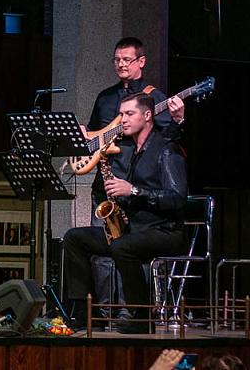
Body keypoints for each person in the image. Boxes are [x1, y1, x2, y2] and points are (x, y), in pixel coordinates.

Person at [64, 92, 188, 334]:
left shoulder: (166, 149)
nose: (123, 120)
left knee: (122, 246)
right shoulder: (131, 151)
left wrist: (133, 190)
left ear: (148, 115)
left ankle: (140, 313)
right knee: (74, 238)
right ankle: (87, 312)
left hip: (164, 231)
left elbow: (176, 198)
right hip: (135, 229)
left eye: (129, 114)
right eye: (121, 114)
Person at [82, 37, 186, 323]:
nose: (120, 64)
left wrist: (178, 120)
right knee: (101, 251)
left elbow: (165, 141)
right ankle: (103, 314)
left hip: (135, 186)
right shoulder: (105, 97)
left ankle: (133, 314)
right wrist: (85, 137)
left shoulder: (153, 97)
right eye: (116, 59)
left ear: (141, 61)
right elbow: (94, 136)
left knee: (129, 248)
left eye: (126, 59)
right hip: (106, 184)